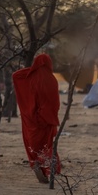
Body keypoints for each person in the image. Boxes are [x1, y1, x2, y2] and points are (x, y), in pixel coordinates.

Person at [12, 53, 62, 183]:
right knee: (47, 146)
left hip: (32, 121)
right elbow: (54, 103)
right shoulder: (52, 80)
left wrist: (32, 69)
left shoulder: (32, 78)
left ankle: (38, 165)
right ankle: (49, 170)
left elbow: (16, 75)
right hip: (47, 120)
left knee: (34, 146)